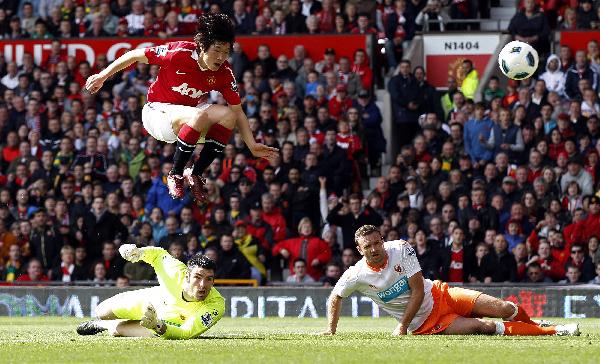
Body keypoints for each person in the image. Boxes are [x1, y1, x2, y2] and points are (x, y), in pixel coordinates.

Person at [85, 13, 278, 202]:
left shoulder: (224, 73)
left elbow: (238, 112)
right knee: (200, 115)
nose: (221, 57)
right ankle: (175, 174)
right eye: (217, 50)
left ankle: (195, 173)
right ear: (202, 46)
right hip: (156, 114)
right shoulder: (178, 53)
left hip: (188, 122)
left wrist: (251, 145)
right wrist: (102, 76)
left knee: (227, 115)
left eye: (226, 51)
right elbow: (136, 55)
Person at [322, 225, 580, 336]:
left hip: (438, 293)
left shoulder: (400, 248)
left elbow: (417, 291)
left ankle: (533, 325)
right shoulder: (355, 275)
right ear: (360, 249)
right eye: (369, 246)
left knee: (505, 308)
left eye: (378, 242)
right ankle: (555, 330)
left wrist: (401, 326)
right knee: (486, 327)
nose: (376, 248)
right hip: (426, 324)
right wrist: (331, 330)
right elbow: (335, 296)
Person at [76, 244, 224, 339]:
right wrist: (137, 252)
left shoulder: (215, 305)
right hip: (152, 299)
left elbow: (187, 332)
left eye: (209, 279)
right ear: (187, 276)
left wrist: (158, 326)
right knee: (101, 312)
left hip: (170, 322)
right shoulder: (175, 271)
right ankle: (102, 321)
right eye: (197, 277)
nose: (203, 285)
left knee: (118, 330)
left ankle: (101, 326)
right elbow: (158, 254)